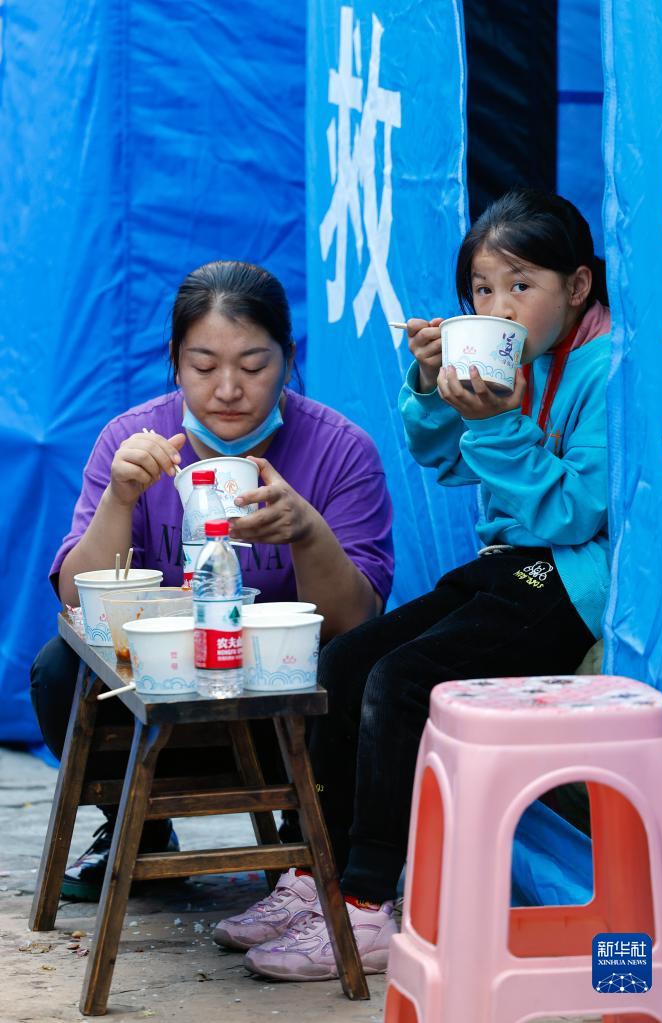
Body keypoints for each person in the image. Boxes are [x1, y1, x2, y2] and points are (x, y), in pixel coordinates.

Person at [215, 189, 611, 981]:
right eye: (481, 291)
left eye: (519, 285)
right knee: (347, 660)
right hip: (511, 566)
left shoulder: (608, 366)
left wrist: (496, 421)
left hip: (570, 578)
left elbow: (573, 512)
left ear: (577, 287)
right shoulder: (523, 363)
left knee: (400, 681)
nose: (498, 307)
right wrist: (432, 386)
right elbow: (450, 460)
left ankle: (365, 905)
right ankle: (315, 876)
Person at [30, 260, 394, 901]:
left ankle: (305, 834)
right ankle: (133, 825)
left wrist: (306, 532)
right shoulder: (133, 442)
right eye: (204, 366)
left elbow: (357, 625)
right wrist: (119, 499)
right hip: (163, 718)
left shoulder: (340, 451)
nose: (228, 389)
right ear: (174, 361)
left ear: (287, 358)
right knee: (59, 670)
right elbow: (76, 604)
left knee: (354, 668)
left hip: (286, 722)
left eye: (254, 366)